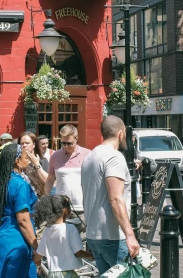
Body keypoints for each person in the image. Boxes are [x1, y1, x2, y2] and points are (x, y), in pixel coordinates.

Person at [81, 116, 139, 274]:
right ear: (121, 133)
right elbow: (115, 198)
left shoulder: (89, 157)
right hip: (112, 235)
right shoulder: (114, 157)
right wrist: (130, 234)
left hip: (94, 234)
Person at [0, 143, 38, 278]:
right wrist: (36, 246)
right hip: (17, 243)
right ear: (17, 161)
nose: (28, 160)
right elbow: (23, 220)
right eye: (25, 158)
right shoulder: (19, 184)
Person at [32, 195, 93, 278]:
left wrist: (36, 261)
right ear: (65, 210)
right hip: (67, 274)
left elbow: (39, 253)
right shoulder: (70, 228)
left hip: (52, 274)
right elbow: (78, 252)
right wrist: (91, 255)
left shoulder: (47, 230)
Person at [44, 125, 91, 211]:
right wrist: (45, 199)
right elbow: (50, 178)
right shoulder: (55, 156)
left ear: (76, 139)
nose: (66, 146)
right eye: (63, 143)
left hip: (82, 207)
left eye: (69, 143)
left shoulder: (87, 155)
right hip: (61, 208)